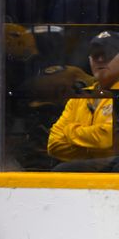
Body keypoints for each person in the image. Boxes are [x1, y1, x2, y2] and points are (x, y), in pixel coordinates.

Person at [47, 30, 119, 171]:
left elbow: (109, 136)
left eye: (108, 54)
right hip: (93, 169)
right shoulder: (80, 95)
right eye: (95, 55)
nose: (100, 60)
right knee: (61, 171)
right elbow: (54, 144)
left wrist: (70, 131)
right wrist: (98, 151)